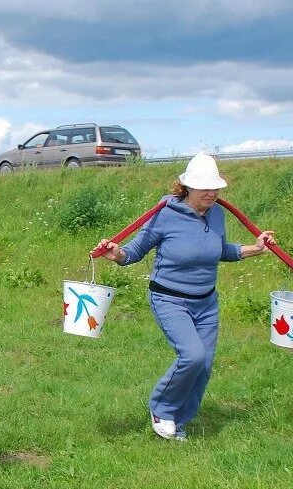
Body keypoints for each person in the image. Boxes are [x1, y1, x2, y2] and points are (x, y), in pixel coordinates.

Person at [95, 153, 276, 441]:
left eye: (215, 187)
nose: (211, 193)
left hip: (206, 303)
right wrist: (116, 254)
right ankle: (161, 409)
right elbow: (135, 251)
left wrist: (253, 250)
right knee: (192, 356)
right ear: (187, 186)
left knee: (203, 366)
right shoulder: (164, 214)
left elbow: (219, 250)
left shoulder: (217, 213)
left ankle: (178, 423)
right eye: (204, 187)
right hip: (169, 299)